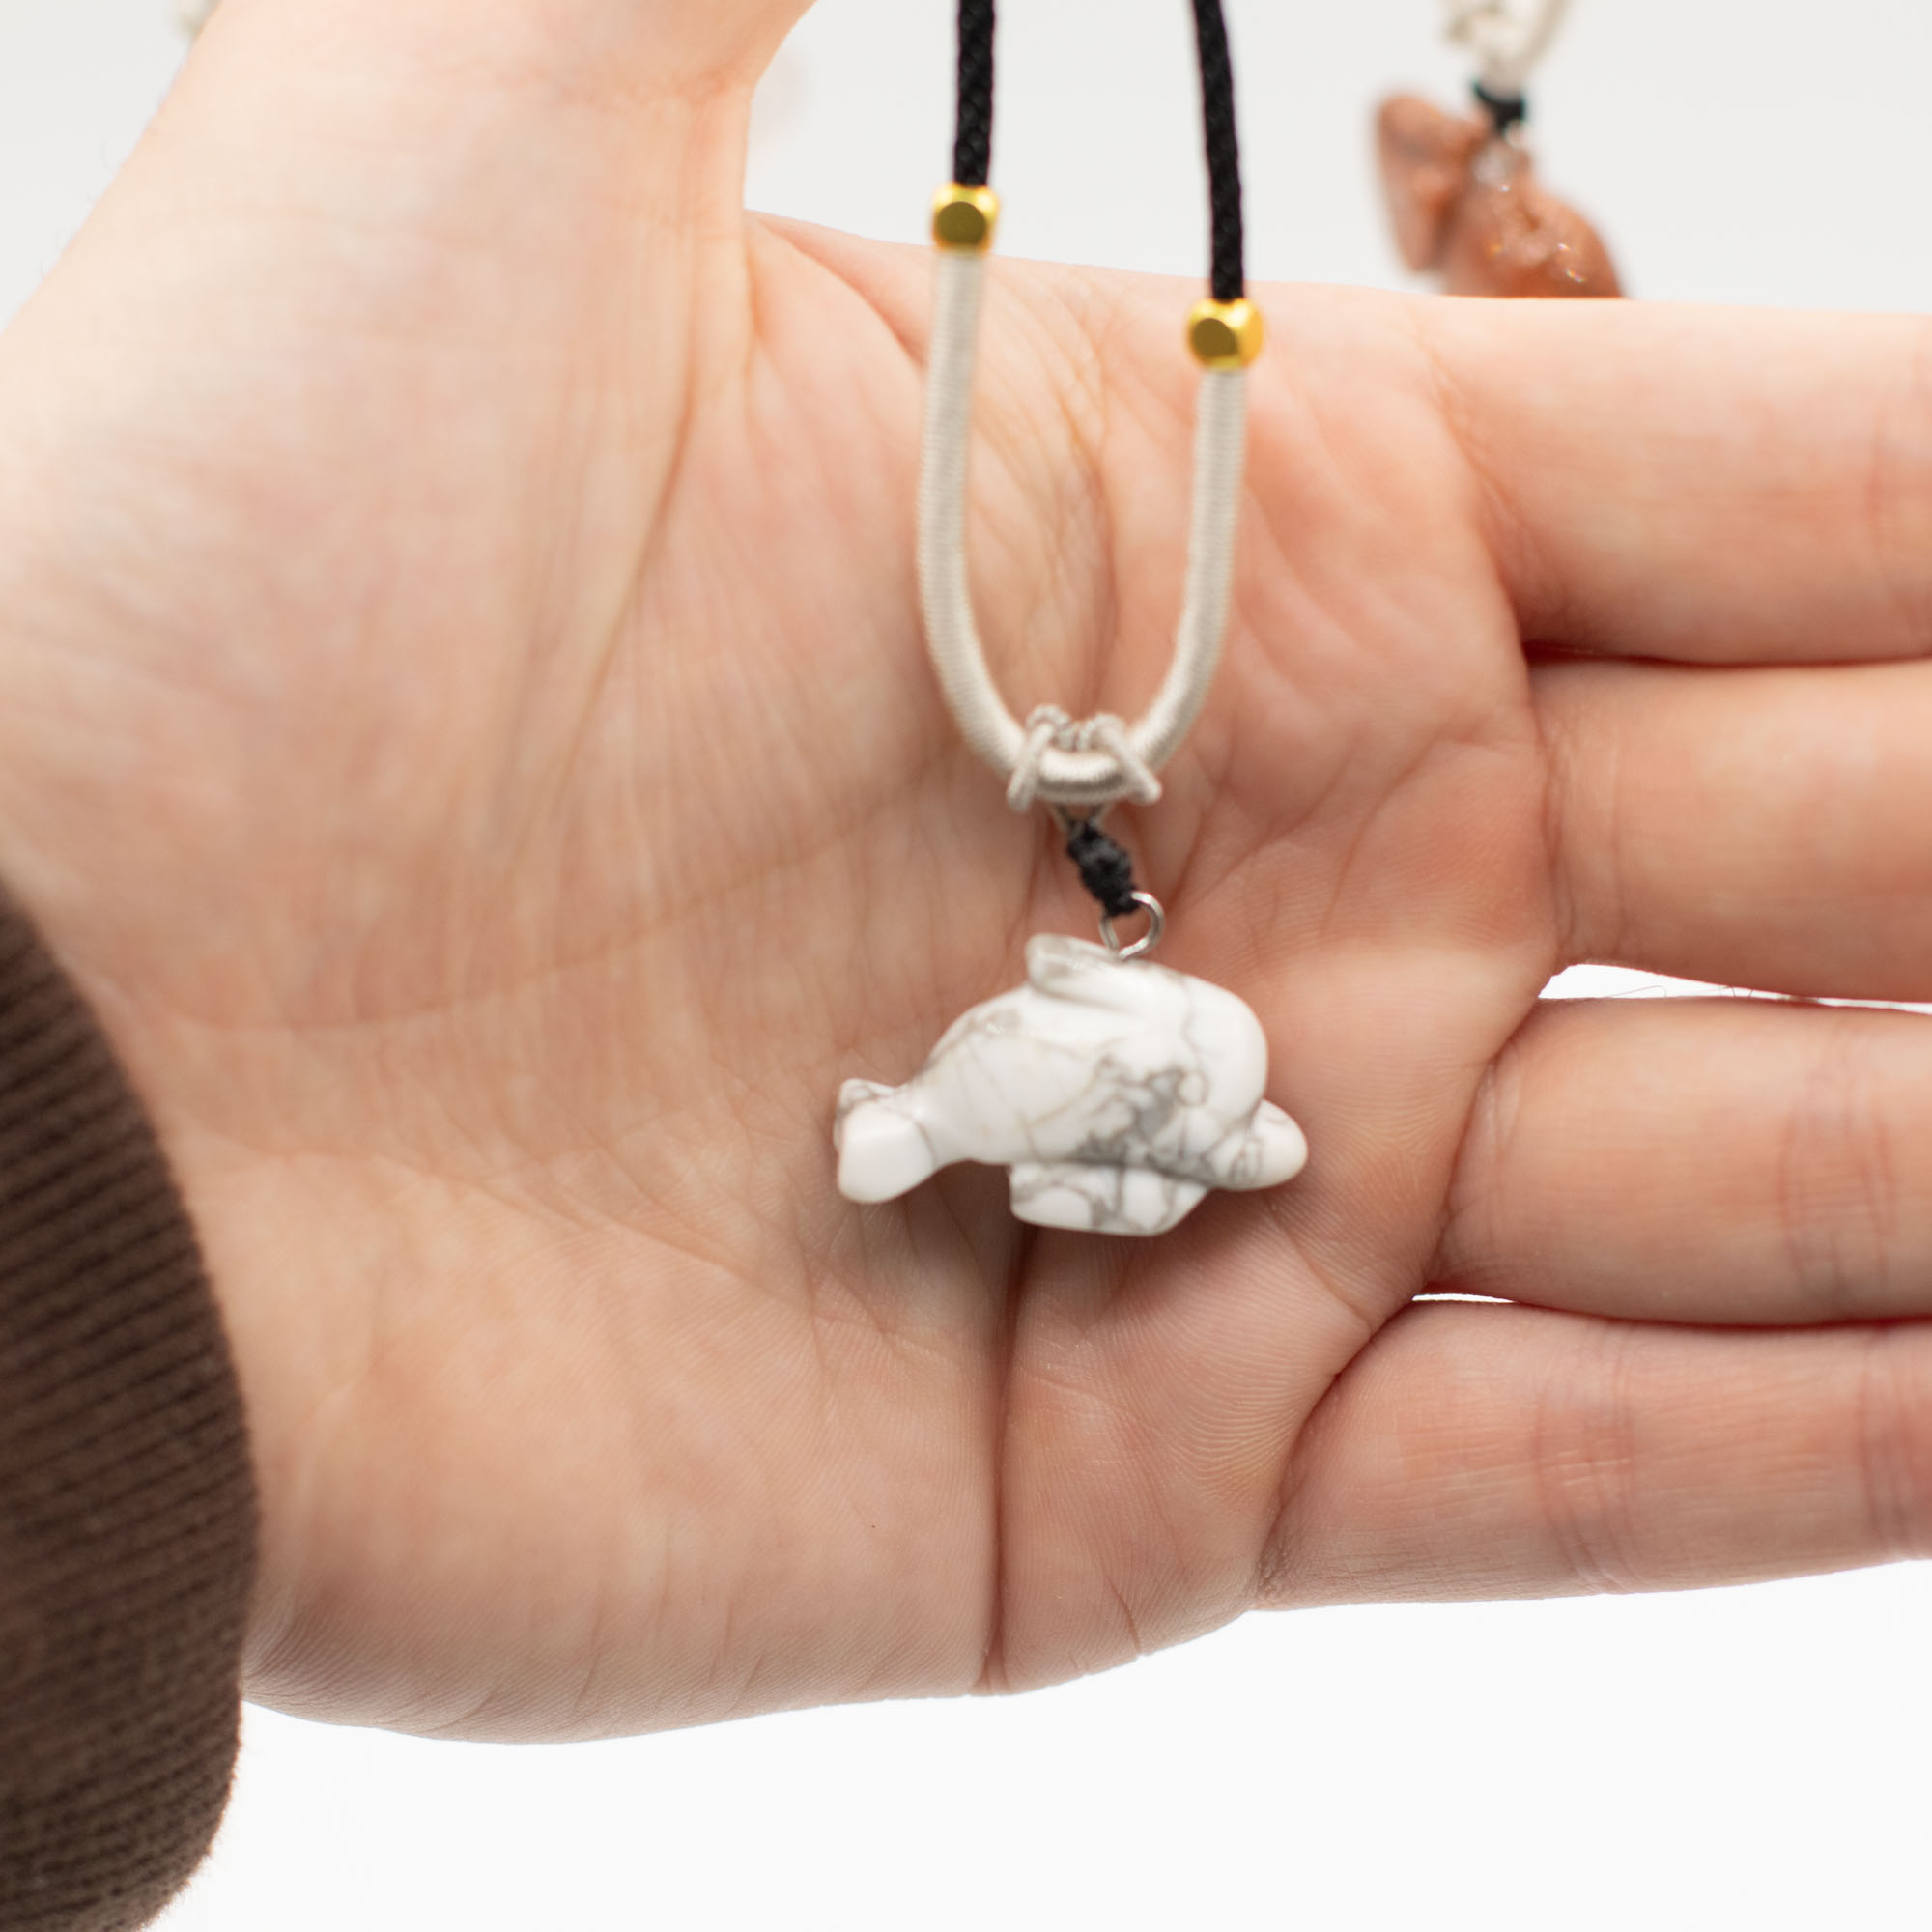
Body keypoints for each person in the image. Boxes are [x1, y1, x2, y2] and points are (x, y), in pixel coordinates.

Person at [5, 0, 1930, 1923]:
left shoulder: (1185, 1069)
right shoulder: (1185, 1064)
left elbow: (1110, 1133)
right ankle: (916, 1125)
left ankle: (916, 1124)